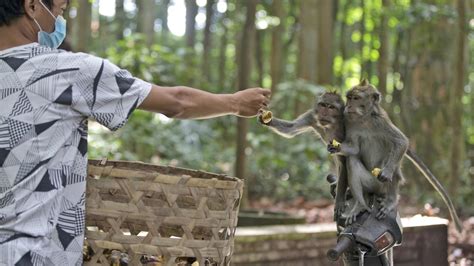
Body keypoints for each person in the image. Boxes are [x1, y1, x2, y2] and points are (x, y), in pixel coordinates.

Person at [0, 0, 271, 265]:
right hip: (31, 253)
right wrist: (235, 103)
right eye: (60, 10)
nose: (60, 22)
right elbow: (176, 103)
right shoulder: (69, 70)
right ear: (32, 6)